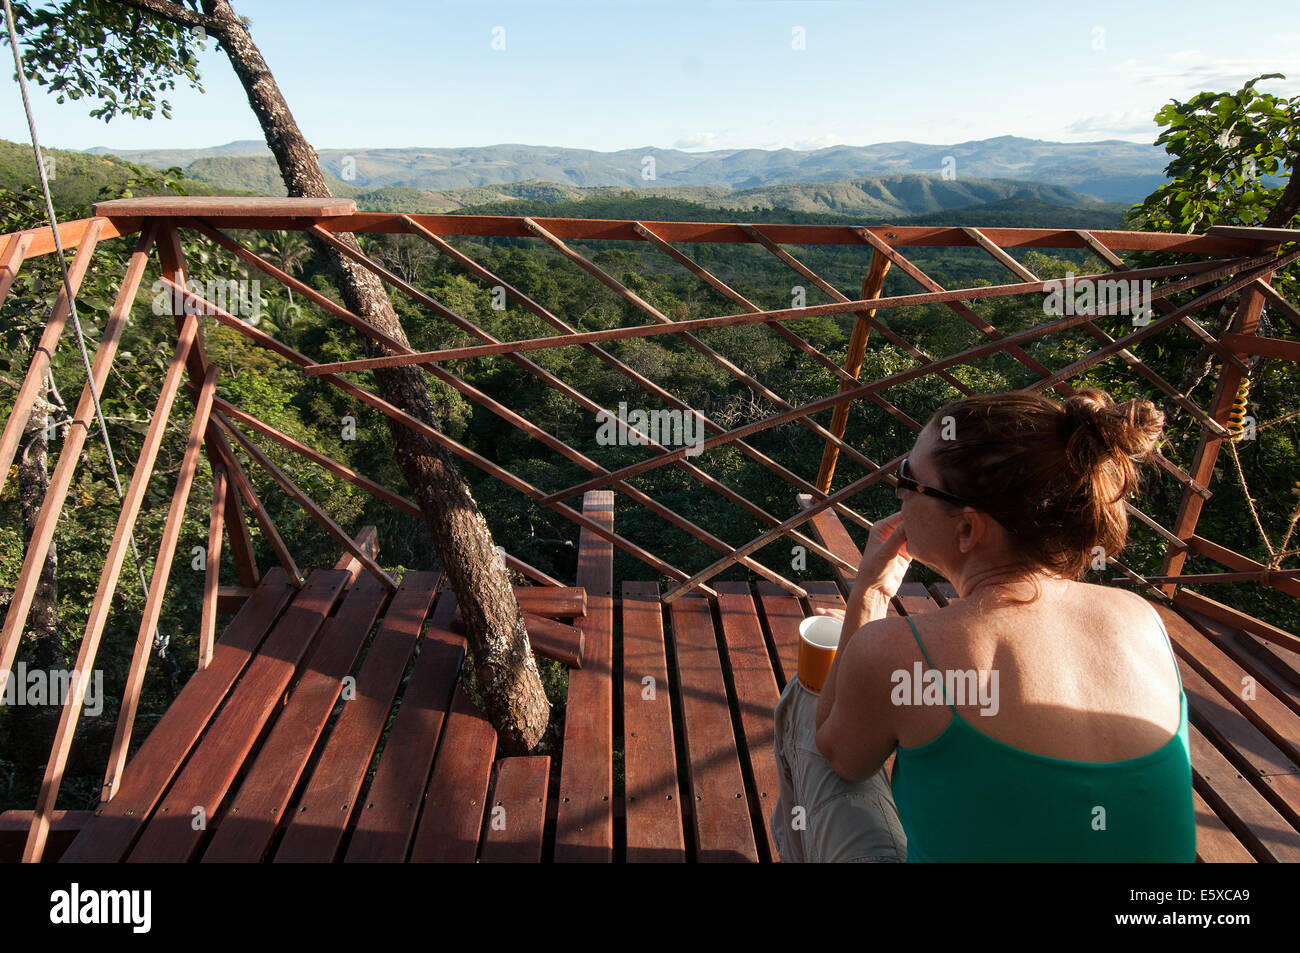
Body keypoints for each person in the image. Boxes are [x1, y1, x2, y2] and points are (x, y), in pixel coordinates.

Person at [770, 387, 1196, 862]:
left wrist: (870, 593)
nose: (898, 491)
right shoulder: (1140, 617)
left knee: (809, 705)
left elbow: (840, 757)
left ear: (968, 529)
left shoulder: (896, 652)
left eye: (909, 479)